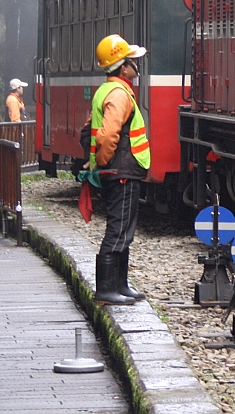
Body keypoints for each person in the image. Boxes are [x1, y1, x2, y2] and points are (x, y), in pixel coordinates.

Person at [90, 34, 150, 306]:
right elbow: (107, 135)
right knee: (118, 229)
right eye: (132, 61)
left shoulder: (110, 90)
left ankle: (120, 285)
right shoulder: (118, 94)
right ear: (122, 66)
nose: (137, 65)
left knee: (124, 227)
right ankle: (106, 289)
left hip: (121, 170)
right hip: (121, 170)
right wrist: (105, 164)